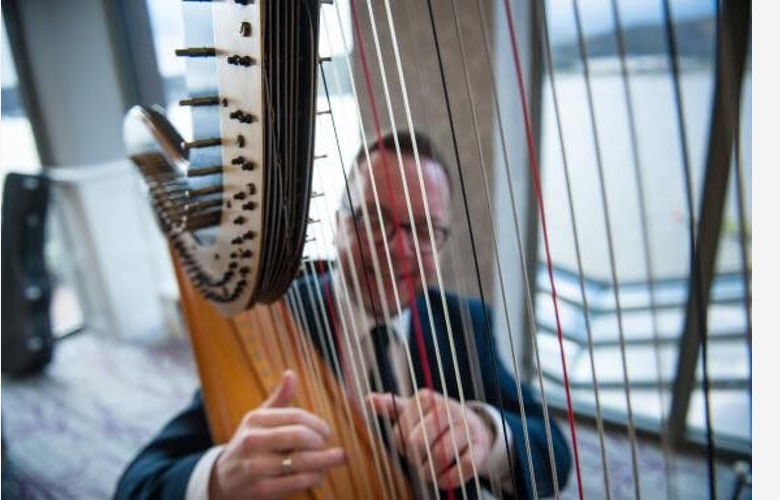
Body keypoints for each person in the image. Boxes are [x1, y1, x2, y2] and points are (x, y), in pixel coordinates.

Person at [114, 130, 572, 499]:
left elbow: (553, 452)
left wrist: (488, 436)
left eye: (425, 230)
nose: (398, 249)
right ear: (337, 226)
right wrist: (219, 478)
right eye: (374, 220)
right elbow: (137, 484)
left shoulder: (465, 323)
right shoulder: (271, 319)